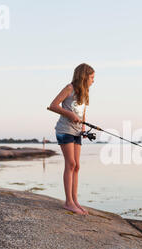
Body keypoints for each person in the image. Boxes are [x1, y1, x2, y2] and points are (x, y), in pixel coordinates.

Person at [48, 63, 95, 215]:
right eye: (92, 77)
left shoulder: (84, 93)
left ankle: (75, 201)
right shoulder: (69, 88)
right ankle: (68, 202)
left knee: (77, 166)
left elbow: (83, 114)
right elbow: (53, 105)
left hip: (76, 132)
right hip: (64, 130)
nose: (93, 81)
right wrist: (70, 115)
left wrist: (83, 130)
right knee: (71, 164)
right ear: (84, 76)